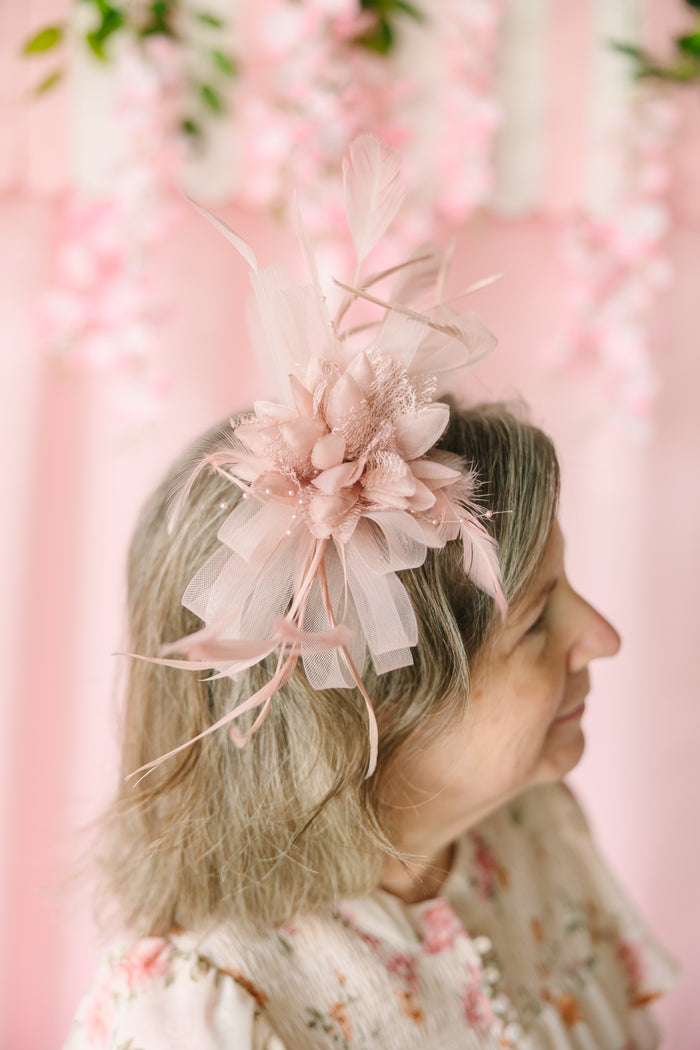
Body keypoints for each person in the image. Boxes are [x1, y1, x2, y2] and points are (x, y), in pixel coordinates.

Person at [64, 138, 678, 1049]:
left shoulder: (533, 833)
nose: (604, 636)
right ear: (370, 707)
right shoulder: (207, 1009)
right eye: (537, 619)